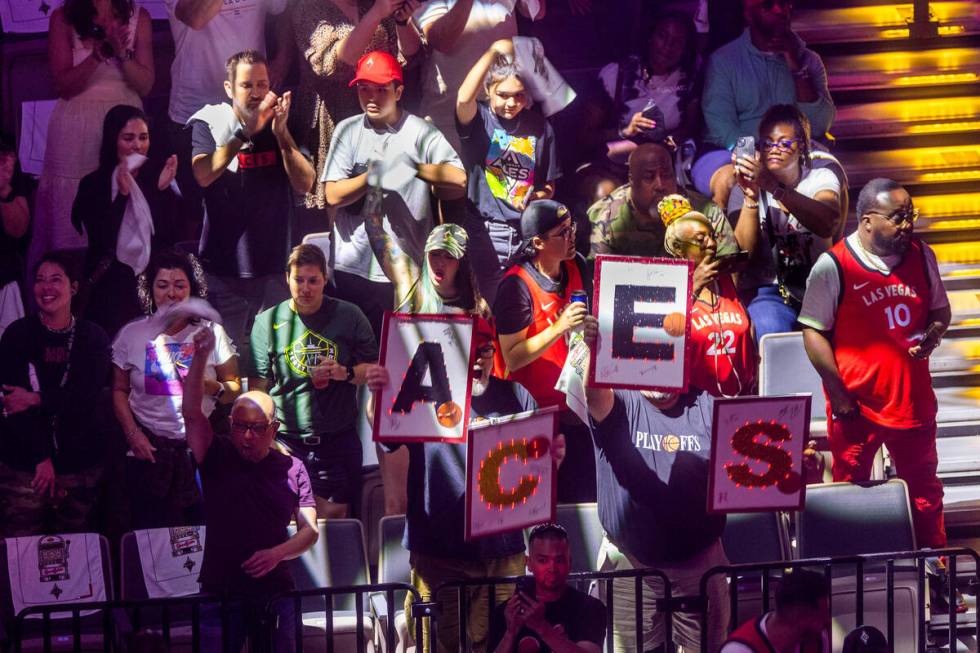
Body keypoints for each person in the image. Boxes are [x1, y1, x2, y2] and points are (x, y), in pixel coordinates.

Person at [366, 317, 538, 652]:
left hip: (500, 553)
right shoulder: (424, 397)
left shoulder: (518, 396)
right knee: (436, 645)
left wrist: (550, 457)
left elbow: (536, 471)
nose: (478, 360)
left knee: (500, 641)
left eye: (485, 351)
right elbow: (387, 435)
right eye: (470, 351)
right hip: (437, 551)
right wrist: (377, 396)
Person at [800, 178, 951, 550]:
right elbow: (813, 332)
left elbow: (940, 311)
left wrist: (933, 334)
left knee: (925, 493)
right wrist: (837, 393)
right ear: (867, 221)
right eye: (897, 217)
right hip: (856, 405)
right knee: (850, 492)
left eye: (910, 215)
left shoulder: (921, 255)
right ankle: (850, 568)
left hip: (910, 401)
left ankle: (936, 567)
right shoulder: (833, 264)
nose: (907, 224)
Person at [582, 312, 729, 652]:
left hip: (700, 566)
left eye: (667, 356)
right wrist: (595, 352)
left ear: (683, 359)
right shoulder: (620, 401)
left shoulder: (708, 406)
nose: (657, 366)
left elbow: (744, 470)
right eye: (650, 357)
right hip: (631, 567)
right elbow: (593, 396)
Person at [182, 326, 318, 652]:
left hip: (275, 591)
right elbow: (191, 413)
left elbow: (310, 531)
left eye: (256, 429)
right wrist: (201, 357)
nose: (246, 436)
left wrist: (278, 554)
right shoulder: (216, 455)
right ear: (231, 425)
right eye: (240, 427)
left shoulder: (292, 468)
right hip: (220, 587)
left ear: (273, 429)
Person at [323, 50, 466, 339]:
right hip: (353, 266)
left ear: (398, 91)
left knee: (403, 352)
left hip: (410, 263)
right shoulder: (347, 131)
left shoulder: (420, 132)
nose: (371, 97)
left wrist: (413, 167)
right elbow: (332, 194)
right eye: (364, 88)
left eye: (380, 89)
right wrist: (372, 177)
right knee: (360, 354)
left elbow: (459, 178)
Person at [190, 49, 316, 360]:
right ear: (229, 89)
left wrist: (282, 135)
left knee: (275, 360)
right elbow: (203, 174)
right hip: (223, 270)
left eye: (262, 85)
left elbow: (305, 183)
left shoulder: (282, 123)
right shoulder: (210, 122)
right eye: (247, 86)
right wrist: (243, 132)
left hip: (274, 268)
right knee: (227, 362)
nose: (257, 93)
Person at [112, 250, 239, 529]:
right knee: (152, 541)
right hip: (148, 451)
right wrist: (133, 435)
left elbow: (234, 388)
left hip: (200, 451)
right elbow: (119, 390)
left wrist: (208, 386)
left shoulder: (211, 332)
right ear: (150, 289)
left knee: (206, 535)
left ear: (192, 289)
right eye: (162, 285)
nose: (171, 293)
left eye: (179, 285)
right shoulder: (131, 334)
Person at [250, 244, 377, 519]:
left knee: (334, 519)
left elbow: (375, 369)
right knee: (286, 519)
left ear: (325, 279)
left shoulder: (349, 315)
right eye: (298, 280)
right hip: (286, 441)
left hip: (336, 441)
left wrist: (345, 372)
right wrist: (268, 440)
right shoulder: (266, 322)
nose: (305, 288)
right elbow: (257, 389)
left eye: (313, 280)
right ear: (287, 278)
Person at [30, 0, 153, 276]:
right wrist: (98, 55)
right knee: (71, 222)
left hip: (124, 123)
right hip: (76, 127)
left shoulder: (138, 17)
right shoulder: (63, 18)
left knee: (121, 211)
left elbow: (145, 84)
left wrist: (122, 54)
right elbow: (63, 85)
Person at [0, 252, 111, 536]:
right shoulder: (17, 334)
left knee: (75, 556)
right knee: (23, 554)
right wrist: (40, 458)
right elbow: (13, 403)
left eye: (55, 279)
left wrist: (36, 398)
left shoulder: (93, 337)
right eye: (39, 280)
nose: (46, 287)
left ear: (73, 287)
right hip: (26, 466)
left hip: (79, 464)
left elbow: (85, 398)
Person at [494, 200, 595, 503]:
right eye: (562, 232)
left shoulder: (578, 264)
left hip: (575, 405)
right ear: (537, 242)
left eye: (571, 227)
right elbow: (512, 355)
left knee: (583, 499)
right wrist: (559, 327)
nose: (571, 235)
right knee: (541, 503)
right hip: (533, 413)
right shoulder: (515, 285)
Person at [693, 0, 834, 209]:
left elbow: (820, 124)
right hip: (729, 148)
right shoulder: (724, 60)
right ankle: (727, 241)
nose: (780, 10)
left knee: (831, 178)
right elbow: (720, 123)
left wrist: (796, 66)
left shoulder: (809, 60)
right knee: (729, 181)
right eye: (768, 5)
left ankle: (820, 242)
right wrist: (752, 155)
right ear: (749, 16)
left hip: (790, 148)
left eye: (785, 4)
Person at [164, 0, 288, 237]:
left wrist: (283, 58)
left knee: (248, 207)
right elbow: (195, 17)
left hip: (250, 108)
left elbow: (283, 11)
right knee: (195, 212)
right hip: (194, 110)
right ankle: (198, 271)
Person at [456, 38, 561, 305]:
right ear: (489, 91)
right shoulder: (480, 120)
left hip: (527, 233)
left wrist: (539, 196)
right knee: (494, 308)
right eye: (503, 94)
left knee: (523, 307)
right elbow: (463, 98)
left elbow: (549, 184)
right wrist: (491, 52)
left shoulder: (540, 127)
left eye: (519, 95)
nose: (511, 102)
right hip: (487, 231)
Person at [289, 0, 420, 209]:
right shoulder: (308, 7)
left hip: (382, 117)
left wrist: (402, 21)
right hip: (335, 120)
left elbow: (411, 55)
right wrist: (377, 13)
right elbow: (335, 63)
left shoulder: (372, 3)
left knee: (388, 205)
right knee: (345, 211)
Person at [730, 104, 842, 342]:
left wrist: (773, 187)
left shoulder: (820, 177)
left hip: (819, 286)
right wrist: (750, 197)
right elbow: (741, 257)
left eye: (784, 143)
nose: (774, 149)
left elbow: (827, 223)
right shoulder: (746, 187)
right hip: (772, 291)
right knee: (768, 325)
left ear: (801, 146)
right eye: (768, 143)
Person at [72, 105, 180, 339]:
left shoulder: (154, 178)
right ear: (113, 140)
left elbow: (168, 238)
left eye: (143, 137)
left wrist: (161, 191)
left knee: (151, 368)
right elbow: (102, 238)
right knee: (111, 362)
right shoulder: (94, 183)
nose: (137, 146)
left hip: (150, 290)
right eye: (128, 138)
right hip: (109, 292)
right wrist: (121, 197)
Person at [413, 0, 546, 151]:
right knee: (455, 173)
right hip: (450, 113)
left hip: (504, 108)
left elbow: (538, 11)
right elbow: (440, 39)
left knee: (505, 174)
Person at [661, 194, 756, 397]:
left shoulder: (726, 282)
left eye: (712, 236)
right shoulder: (669, 290)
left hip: (741, 398)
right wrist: (693, 287)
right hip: (693, 408)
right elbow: (665, 340)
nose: (711, 244)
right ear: (678, 248)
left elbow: (747, 333)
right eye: (700, 239)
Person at [588, 142, 742, 262]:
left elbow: (729, 266)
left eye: (666, 175)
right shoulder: (604, 216)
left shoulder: (705, 211)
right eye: (649, 177)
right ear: (632, 180)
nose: (660, 185)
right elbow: (596, 281)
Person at [489, 523, 606, 653]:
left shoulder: (589, 607)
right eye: (543, 560)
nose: (552, 568)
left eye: (559, 560)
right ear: (529, 563)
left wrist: (542, 627)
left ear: (569, 562)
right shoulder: (508, 612)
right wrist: (510, 633)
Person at [597, 10, 701, 149]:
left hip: (663, 161)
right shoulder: (616, 74)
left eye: (677, 42)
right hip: (616, 161)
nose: (668, 46)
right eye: (662, 36)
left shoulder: (687, 80)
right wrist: (625, 131)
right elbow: (584, 136)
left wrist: (668, 144)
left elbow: (690, 128)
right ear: (651, 36)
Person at [721, 568, 831, 653]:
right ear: (797, 615)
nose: (827, 621)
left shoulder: (818, 641)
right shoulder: (740, 649)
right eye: (821, 616)